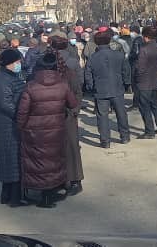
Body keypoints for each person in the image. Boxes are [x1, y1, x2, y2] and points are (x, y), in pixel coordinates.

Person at [17, 50, 78, 208]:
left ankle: (40, 192)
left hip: (34, 131)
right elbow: (73, 103)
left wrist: (20, 127)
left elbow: (22, 112)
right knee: (53, 161)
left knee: (39, 161)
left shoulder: (30, 87)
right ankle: (49, 195)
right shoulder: (63, 85)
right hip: (56, 129)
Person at [50, 35, 85, 196]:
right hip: (66, 112)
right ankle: (71, 179)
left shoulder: (64, 68)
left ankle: (68, 180)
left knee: (62, 147)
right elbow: (79, 88)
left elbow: (76, 90)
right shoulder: (71, 62)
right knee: (70, 147)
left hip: (62, 113)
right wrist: (76, 109)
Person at [0, 49, 26, 207]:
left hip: (11, 122)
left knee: (10, 160)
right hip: (8, 123)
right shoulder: (3, 79)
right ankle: (14, 198)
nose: (19, 64)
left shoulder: (10, 76)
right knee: (12, 160)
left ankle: (7, 195)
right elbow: (5, 104)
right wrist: (20, 115)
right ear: (9, 63)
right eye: (17, 62)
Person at [86, 30, 131, 148]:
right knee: (121, 113)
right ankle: (125, 136)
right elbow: (126, 71)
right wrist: (126, 84)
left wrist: (91, 87)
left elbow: (88, 74)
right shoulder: (119, 55)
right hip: (117, 88)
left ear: (96, 42)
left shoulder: (93, 57)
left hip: (100, 89)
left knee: (102, 116)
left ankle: (105, 140)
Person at [135, 26, 157, 138]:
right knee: (155, 104)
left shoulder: (143, 49)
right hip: (154, 79)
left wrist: (136, 77)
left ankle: (149, 131)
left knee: (144, 106)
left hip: (144, 81)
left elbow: (140, 68)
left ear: (146, 36)